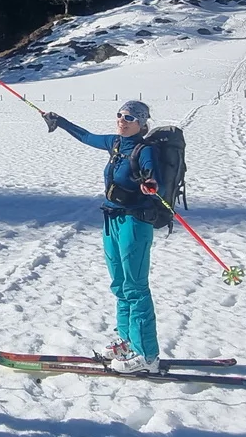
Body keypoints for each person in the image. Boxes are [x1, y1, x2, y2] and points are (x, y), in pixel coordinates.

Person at [43, 101, 163, 373]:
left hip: (135, 221)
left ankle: (148, 356)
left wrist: (151, 183)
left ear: (142, 123)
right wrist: (60, 121)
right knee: (120, 284)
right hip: (112, 219)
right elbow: (86, 136)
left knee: (136, 287)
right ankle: (127, 341)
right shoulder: (116, 144)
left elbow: (152, 172)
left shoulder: (145, 149)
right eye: (120, 115)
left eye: (129, 117)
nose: (122, 120)